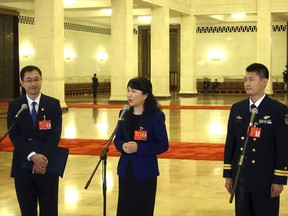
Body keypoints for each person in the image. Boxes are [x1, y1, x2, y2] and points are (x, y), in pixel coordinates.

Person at [223, 63, 288, 216]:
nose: (247, 84)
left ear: (264, 82)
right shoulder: (237, 108)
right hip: (242, 177)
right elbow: (231, 142)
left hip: (265, 179)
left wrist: (279, 179)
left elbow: (283, 147)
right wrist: (229, 174)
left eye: (251, 79)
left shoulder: (278, 110)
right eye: (245, 79)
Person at [7, 65, 62, 216]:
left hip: (47, 166)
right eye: (29, 80)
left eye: (37, 79)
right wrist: (32, 156)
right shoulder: (15, 106)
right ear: (22, 83)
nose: (33, 84)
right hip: (23, 168)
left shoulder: (53, 104)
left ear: (41, 80)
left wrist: (42, 159)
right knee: (27, 210)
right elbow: (14, 135)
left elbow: (55, 134)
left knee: (49, 210)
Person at [114, 77, 169, 216]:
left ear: (145, 95)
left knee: (142, 209)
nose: (129, 95)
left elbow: (162, 144)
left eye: (133, 91)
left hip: (145, 171)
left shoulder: (156, 116)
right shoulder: (124, 113)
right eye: (128, 90)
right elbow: (118, 138)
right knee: (125, 208)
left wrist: (139, 148)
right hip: (126, 170)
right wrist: (122, 146)